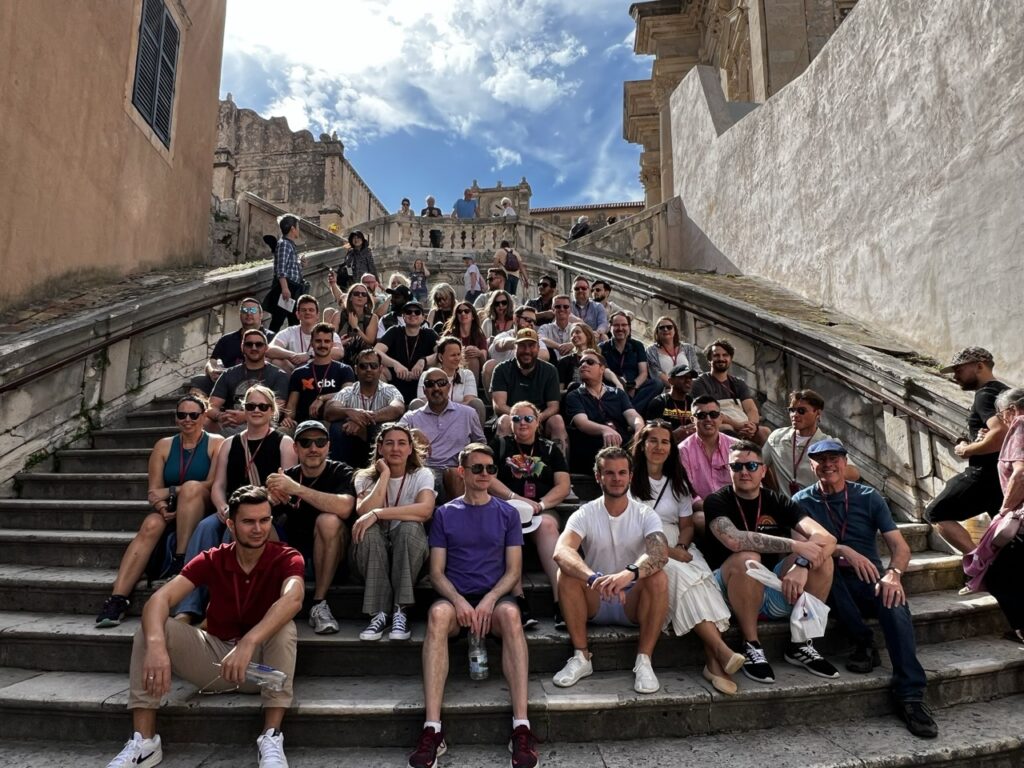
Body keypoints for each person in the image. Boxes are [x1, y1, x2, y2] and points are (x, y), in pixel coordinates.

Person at [104, 485, 303, 768]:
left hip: (263, 668)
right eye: (248, 521)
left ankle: (271, 737)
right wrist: (158, 647)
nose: (258, 529)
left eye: (264, 520)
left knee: (285, 626)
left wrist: (248, 642)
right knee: (151, 629)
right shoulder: (213, 558)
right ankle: (145, 742)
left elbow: (294, 598)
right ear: (231, 525)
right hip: (217, 662)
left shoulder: (286, 556)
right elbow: (161, 599)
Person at [794, 439, 937, 738]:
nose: (828, 464)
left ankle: (910, 696)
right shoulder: (801, 503)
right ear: (811, 465)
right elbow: (803, 549)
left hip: (871, 576)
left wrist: (894, 574)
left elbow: (900, 546)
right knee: (828, 577)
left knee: (894, 603)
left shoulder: (869, 497)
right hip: (829, 576)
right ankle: (863, 642)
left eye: (834, 458)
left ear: (846, 463)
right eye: (820, 459)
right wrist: (843, 550)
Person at [410, 444, 537, 768]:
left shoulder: (508, 513)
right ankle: (432, 729)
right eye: (477, 468)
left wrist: (490, 600)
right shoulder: (444, 513)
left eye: (491, 469)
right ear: (461, 472)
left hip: (495, 597)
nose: (485, 474)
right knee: (438, 615)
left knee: (510, 615)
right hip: (457, 598)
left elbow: (513, 571)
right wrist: (460, 601)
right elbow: (436, 573)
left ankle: (522, 726)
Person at [703, 440, 840, 684]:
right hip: (726, 592)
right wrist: (796, 546)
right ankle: (751, 644)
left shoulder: (777, 500)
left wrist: (801, 564)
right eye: (737, 466)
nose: (744, 471)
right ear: (729, 470)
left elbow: (826, 538)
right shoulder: (716, 500)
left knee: (823, 561)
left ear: (763, 471)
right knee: (749, 558)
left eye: (752, 465)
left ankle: (801, 644)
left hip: (771, 587)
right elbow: (734, 540)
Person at [629, 421, 742, 694]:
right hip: (642, 544)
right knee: (681, 576)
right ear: (642, 445)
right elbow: (628, 525)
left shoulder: (677, 481)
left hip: (677, 542)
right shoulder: (628, 478)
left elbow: (688, 524)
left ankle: (715, 661)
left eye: (665, 441)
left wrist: (681, 546)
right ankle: (719, 654)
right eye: (652, 440)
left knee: (701, 579)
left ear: (671, 447)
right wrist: (668, 553)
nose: (658, 447)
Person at [95, 396, 225, 628]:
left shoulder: (216, 443)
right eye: (182, 415)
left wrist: (175, 490)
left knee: (193, 488)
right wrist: (163, 506)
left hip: (201, 507)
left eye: (194, 415)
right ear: (175, 418)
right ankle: (117, 599)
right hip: (171, 508)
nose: (187, 420)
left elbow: (212, 483)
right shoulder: (164, 445)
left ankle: (180, 560)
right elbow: (154, 492)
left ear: (204, 417)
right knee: (150, 525)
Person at [174, 386, 298, 622]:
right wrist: (221, 506)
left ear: (271, 410)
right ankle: (188, 606)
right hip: (230, 507)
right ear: (244, 409)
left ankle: (219, 607)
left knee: (237, 531)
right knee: (205, 528)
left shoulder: (283, 443)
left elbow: (284, 491)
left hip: (266, 514)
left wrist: (249, 510)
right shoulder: (230, 444)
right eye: (251, 406)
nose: (256, 410)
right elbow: (219, 485)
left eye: (263, 406)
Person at [552, 447, 669, 694]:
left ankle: (644, 661)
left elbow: (659, 554)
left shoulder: (645, 513)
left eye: (622, 472)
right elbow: (562, 551)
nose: (616, 478)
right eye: (609, 473)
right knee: (566, 573)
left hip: (632, 600)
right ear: (598, 476)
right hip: (596, 596)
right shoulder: (584, 512)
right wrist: (593, 577)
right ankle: (582, 657)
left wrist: (628, 574)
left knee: (658, 577)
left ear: (630, 476)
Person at [264, 420, 355, 635]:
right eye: (305, 442)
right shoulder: (287, 476)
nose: (313, 448)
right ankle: (261, 600)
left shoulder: (341, 471)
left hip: (333, 558)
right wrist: (269, 499)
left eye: (320, 442)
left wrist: (297, 489)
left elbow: (345, 507)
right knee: (259, 523)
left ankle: (319, 603)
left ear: (328, 446)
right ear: (295, 448)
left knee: (328, 520)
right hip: (294, 559)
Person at [350, 424, 436, 642]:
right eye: (389, 443)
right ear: (380, 448)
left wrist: (380, 514)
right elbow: (363, 511)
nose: (395, 448)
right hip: (371, 552)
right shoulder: (364, 476)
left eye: (402, 443)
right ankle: (378, 613)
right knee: (368, 531)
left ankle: (400, 610)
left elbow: (425, 510)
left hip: (409, 552)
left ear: (410, 449)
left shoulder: (422, 474)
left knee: (409, 527)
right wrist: (385, 475)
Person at [489, 401, 571, 626]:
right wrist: (516, 499)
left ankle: (560, 602)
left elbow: (563, 485)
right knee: (507, 527)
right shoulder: (500, 445)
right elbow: (488, 478)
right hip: (507, 508)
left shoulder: (551, 449)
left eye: (528, 418)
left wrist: (541, 505)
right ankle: (520, 601)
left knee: (547, 525)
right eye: (516, 418)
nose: (522, 423)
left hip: (541, 509)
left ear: (538, 422)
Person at [925, 347, 1008, 555]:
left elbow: (999, 434)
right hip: (1003, 475)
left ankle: (978, 562)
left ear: (979, 366)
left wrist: (966, 449)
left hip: (985, 474)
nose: (955, 376)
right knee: (1010, 535)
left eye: (959, 369)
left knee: (936, 512)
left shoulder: (986, 395)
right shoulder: (1006, 394)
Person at [965, 388, 1024, 642]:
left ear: (1011, 410)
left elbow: (1021, 473)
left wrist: (1005, 509)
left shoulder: (1020, 423)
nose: (1001, 420)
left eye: (1001, 414)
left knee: (997, 575)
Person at [400, 367, 484, 500]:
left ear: (449, 387)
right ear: (424, 390)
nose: (436, 388)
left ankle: (460, 516)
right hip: (423, 470)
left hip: (456, 470)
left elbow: (481, 445)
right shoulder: (411, 417)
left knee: (454, 474)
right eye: (430, 384)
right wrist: (412, 433)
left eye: (441, 383)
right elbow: (393, 436)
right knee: (422, 476)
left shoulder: (468, 414)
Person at [763, 389, 860, 496]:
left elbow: (854, 473)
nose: (794, 415)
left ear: (817, 414)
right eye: (791, 410)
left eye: (801, 411)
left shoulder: (828, 443)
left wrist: (827, 469)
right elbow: (759, 465)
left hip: (818, 505)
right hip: (787, 507)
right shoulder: (776, 437)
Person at [490, 328, 569, 457]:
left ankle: (561, 469)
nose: (527, 351)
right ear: (515, 348)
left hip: (541, 420)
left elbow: (553, 406)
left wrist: (535, 419)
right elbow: (499, 406)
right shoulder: (501, 369)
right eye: (522, 346)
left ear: (538, 348)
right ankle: (500, 469)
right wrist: (522, 419)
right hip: (512, 418)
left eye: (531, 346)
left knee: (557, 421)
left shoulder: (550, 370)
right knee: (504, 421)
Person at [324, 348, 405, 469]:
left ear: (380, 369)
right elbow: (329, 410)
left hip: (377, 445)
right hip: (350, 445)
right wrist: (348, 412)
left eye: (373, 366)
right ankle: (341, 474)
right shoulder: (348, 391)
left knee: (379, 429)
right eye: (363, 366)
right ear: (356, 369)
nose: (369, 370)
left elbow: (398, 408)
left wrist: (362, 420)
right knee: (337, 428)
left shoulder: (389, 389)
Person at [564, 350, 643, 474]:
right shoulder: (574, 395)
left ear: (602, 369)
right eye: (581, 363)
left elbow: (633, 415)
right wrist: (604, 430)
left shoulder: (618, 394)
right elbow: (582, 423)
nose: (584, 365)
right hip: (592, 445)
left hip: (622, 444)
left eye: (590, 362)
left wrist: (639, 429)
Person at [207, 329, 291, 436]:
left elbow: (277, 409)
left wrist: (246, 416)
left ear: (266, 348)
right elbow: (211, 406)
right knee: (205, 421)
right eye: (249, 344)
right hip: (233, 424)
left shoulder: (278, 374)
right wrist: (220, 416)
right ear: (242, 347)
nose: (254, 348)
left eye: (259, 344)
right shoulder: (228, 374)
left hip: (264, 424)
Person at [691, 339, 769, 444]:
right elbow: (710, 412)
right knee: (726, 428)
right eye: (716, 355)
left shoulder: (739, 383)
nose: (721, 358)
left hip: (743, 424)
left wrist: (752, 426)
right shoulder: (700, 382)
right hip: (717, 423)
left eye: (725, 355)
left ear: (730, 359)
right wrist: (739, 426)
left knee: (765, 432)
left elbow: (751, 409)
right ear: (709, 359)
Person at [190, 298, 273, 396]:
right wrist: (212, 371)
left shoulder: (272, 338)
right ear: (240, 314)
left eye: (253, 310)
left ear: (261, 315)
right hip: (227, 379)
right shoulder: (227, 339)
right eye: (245, 310)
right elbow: (212, 361)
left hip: (257, 380)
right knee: (200, 381)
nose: (248, 314)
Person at [283, 322, 355, 424]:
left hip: (333, 423)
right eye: (318, 341)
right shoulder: (299, 373)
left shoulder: (344, 369)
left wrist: (322, 398)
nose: (322, 345)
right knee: (283, 430)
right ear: (311, 343)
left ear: (332, 344)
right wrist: (288, 418)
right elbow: (291, 406)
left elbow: (348, 394)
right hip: (304, 424)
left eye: (326, 341)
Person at [374, 300, 439, 405]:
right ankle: (383, 404)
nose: (412, 314)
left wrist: (423, 361)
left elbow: (442, 353)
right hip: (396, 378)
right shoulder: (394, 331)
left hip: (421, 379)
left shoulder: (429, 333)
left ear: (423, 318)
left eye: (417, 312)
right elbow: (376, 351)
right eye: (408, 312)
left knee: (439, 366)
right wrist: (395, 364)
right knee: (379, 369)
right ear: (403, 317)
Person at [678, 395, 737, 507]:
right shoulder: (683, 450)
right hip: (703, 509)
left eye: (713, 415)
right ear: (692, 420)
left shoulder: (736, 446)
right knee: (699, 519)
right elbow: (689, 494)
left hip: (735, 507)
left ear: (720, 418)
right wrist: (713, 509)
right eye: (701, 415)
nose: (708, 419)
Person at [413, 337, 486, 424]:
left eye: (458, 354)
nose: (457, 358)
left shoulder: (467, 374)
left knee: (477, 403)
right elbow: (424, 402)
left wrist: (447, 410)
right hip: (432, 419)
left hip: (459, 419)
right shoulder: (427, 375)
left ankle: (477, 437)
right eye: (453, 355)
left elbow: (469, 401)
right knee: (416, 403)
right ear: (440, 357)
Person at [266, 295, 344, 374]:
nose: (307, 312)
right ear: (297, 314)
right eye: (304, 310)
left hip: (321, 372)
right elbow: (269, 350)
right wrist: (293, 355)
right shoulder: (290, 331)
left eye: (311, 310)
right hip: (295, 372)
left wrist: (309, 355)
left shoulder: (327, 332)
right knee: (276, 361)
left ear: (317, 315)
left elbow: (339, 352)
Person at [601, 311, 660, 413]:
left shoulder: (637, 346)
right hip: (613, 387)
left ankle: (629, 412)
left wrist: (633, 386)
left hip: (634, 386)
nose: (620, 328)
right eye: (616, 325)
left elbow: (643, 372)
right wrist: (620, 386)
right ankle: (631, 413)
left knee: (657, 384)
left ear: (629, 327)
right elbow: (603, 372)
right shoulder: (602, 347)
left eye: (624, 325)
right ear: (610, 327)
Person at [484, 305, 548, 392]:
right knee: (489, 365)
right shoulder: (503, 335)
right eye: (528, 320)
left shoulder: (535, 339)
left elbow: (545, 355)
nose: (531, 324)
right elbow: (501, 344)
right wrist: (519, 343)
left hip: (526, 380)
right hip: (502, 381)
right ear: (515, 319)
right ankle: (494, 403)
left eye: (534, 321)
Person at [264, 214, 304, 333]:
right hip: (287, 287)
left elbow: (290, 267)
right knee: (278, 320)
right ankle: (269, 345)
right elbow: (281, 268)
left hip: (292, 287)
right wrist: (285, 288)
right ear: (292, 229)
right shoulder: (284, 244)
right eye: (298, 227)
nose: (298, 230)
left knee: (294, 321)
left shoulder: (289, 244)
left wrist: (301, 264)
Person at [556, 322, 622, 389]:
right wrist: (571, 389)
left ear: (588, 335)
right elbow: (559, 392)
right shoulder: (564, 361)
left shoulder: (597, 357)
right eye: (572, 334)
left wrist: (618, 384)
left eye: (577, 332)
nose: (574, 335)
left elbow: (606, 371)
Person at [646, 315, 703, 389]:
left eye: (669, 327)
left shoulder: (688, 348)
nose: (665, 329)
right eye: (661, 328)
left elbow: (696, 370)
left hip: (689, 389)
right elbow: (656, 373)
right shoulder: (651, 350)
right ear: (657, 332)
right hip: (667, 390)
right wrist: (676, 388)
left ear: (675, 330)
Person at [645, 363, 697, 443]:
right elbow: (651, 434)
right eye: (683, 377)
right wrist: (674, 435)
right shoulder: (659, 402)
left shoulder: (693, 403)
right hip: (666, 446)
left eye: (690, 378)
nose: (688, 380)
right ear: (670, 381)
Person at [329, 283, 378, 366]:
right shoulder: (339, 315)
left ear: (367, 299)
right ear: (350, 297)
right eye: (356, 294)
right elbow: (329, 338)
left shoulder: (372, 317)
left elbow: (370, 341)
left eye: (364, 294)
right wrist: (340, 343)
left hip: (363, 358)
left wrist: (355, 327)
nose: (360, 296)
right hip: (341, 356)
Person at [440, 301, 488, 382]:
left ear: (472, 316)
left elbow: (484, 363)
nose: (463, 313)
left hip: (474, 369)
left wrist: (479, 354)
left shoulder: (479, 335)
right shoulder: (450, 334)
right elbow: (440, 352)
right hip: (452, 366)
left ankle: (472, 390)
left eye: (466, 311)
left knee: (473, 357)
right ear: (456, 316)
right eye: (459, 312)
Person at [538, 294, 575, 360]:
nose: (562, 309)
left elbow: (588, 339)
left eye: (565, 307)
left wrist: (573, 344)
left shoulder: (575, 328)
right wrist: (558, 346)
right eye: (558, 307)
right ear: (553, 309)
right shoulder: (545, 328)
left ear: (570, 310)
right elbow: (540, 338)